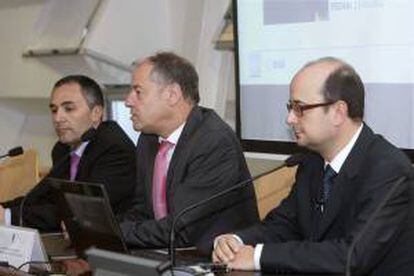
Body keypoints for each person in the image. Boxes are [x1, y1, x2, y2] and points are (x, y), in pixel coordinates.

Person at [212, 57, 414, 275]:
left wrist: (258, 256)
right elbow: (284, 225)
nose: (290, 119)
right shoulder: (311, 161)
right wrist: (236, 241)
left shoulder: (389, 170)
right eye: (290, 107)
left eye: (300, 108)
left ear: (338, 112)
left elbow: (351, 257)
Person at [119, 52, 259, 251]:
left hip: (215, 262)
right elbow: (141, 210)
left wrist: (117, 232)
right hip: (167, 253)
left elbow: (181, 230)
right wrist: (102, 228)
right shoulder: (148, 139)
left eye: (138, 92)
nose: (128, 101)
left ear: (172, 95)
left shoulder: (213, 141)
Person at [0, 75, 136, 231]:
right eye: (54, 110)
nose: (58, 118)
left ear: (96, 113)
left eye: (69, 109)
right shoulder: (62, 149)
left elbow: (79, 212)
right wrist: (4, 207)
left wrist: (9, 216)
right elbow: (40, 199)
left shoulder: (115, 149)